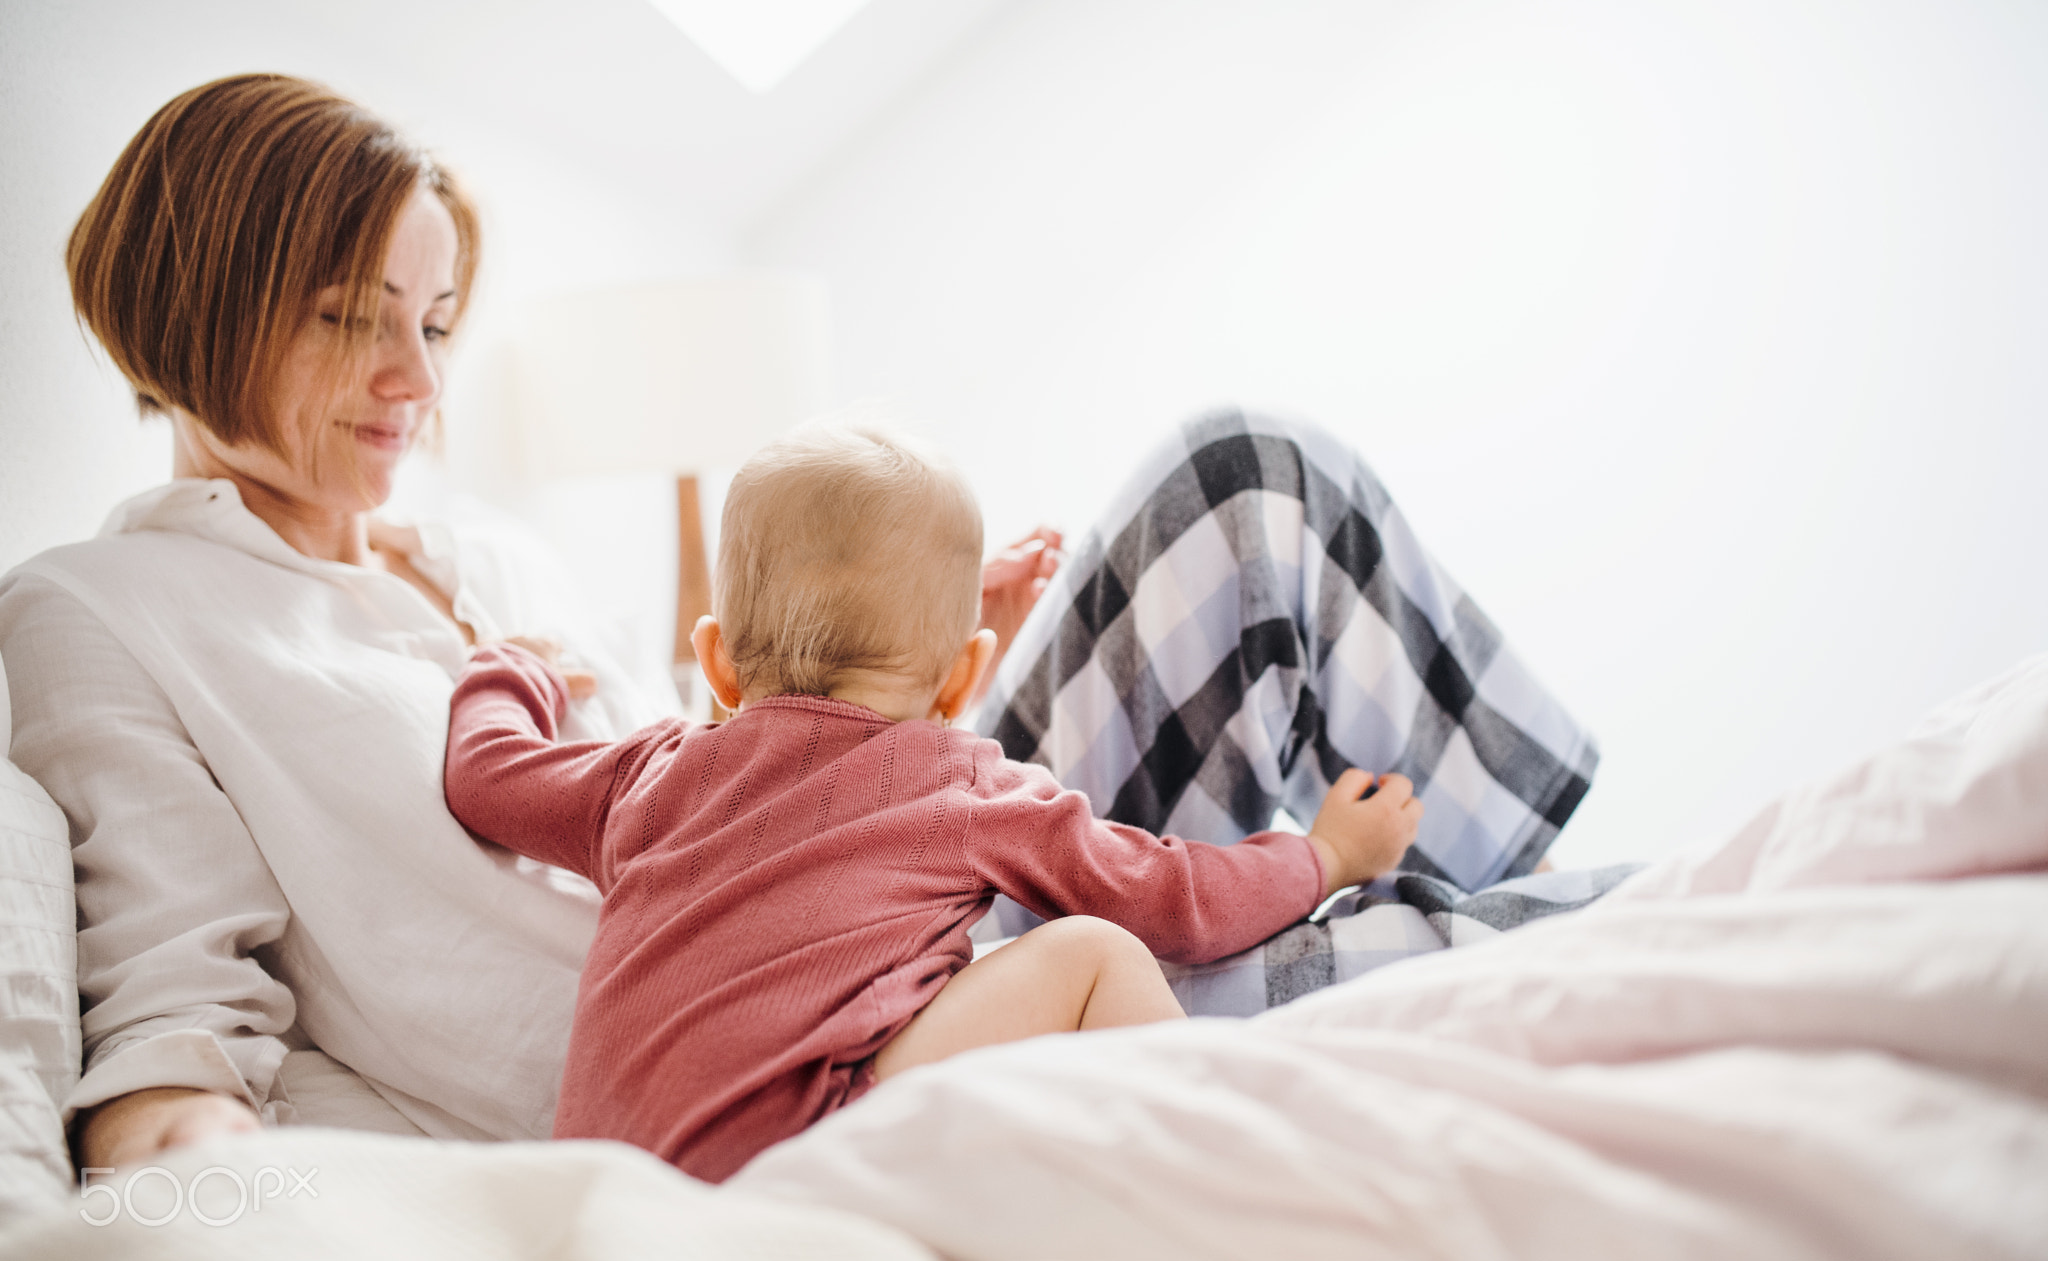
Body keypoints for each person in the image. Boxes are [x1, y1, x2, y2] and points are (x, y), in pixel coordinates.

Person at [0, 73, 1596, 1177]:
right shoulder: (109, 612)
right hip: (798, 1059)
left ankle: (1480, 865)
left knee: (1249, 484)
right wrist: (181, 1208)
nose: (419, 381)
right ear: (192, 300)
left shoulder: (491, 550)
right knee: (1415, 936)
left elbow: (728, 758)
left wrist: (893, 658)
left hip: (894, 877)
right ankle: (1525, 911)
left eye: (430, 321)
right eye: (348, 319)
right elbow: (172, 1018)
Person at [442, 425, 1425, 1181]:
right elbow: (1178, 899)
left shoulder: (645, 777)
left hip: (602, 1188)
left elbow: (484, 778)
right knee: (1093, 955)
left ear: (712, 663)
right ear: (964, 682)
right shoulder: (961, 789)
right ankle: (1218, 1173)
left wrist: (506, 666)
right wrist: (1326, 855)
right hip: (789, 1161)